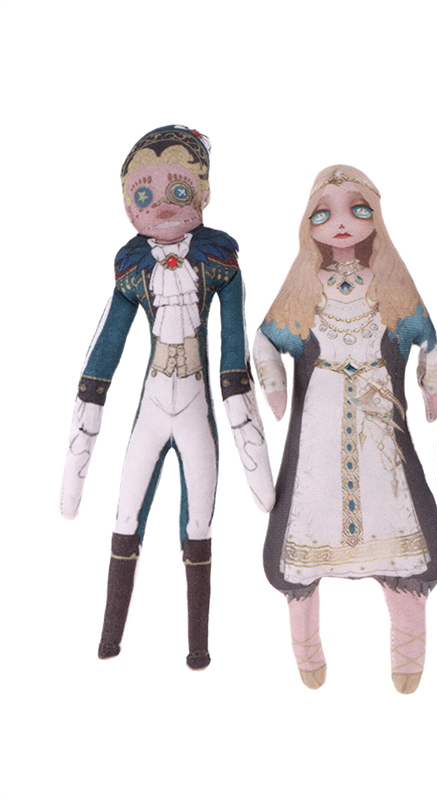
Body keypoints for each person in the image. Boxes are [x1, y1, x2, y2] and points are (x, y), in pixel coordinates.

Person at [60, 125, 274, 670]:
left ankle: (198, 645)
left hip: (198, 408)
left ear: (204, 192)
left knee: (198, 524)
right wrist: (85, 424)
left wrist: (243, 420)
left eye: (179, 190)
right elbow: (104, 351)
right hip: (154, 409)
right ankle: (110, 635)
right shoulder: (131, 269)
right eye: (143, 193)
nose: (160, 205)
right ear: (126, 205)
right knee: (126, 513)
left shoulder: (219, 261)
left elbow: (233, 352)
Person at [254, 165, 437, 694]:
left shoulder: (390, 283)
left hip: (378, 418)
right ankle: (306, 647)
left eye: (357, 209)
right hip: (318, 416)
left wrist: (433, 386)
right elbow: (265, 339)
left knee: (399, 512)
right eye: (324, 213)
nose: (341, 223)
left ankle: (408, 650)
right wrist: (274, 384)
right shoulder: (303, 287)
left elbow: (428, 340)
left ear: (375, 217)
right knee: (307, 513)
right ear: (308, 223)